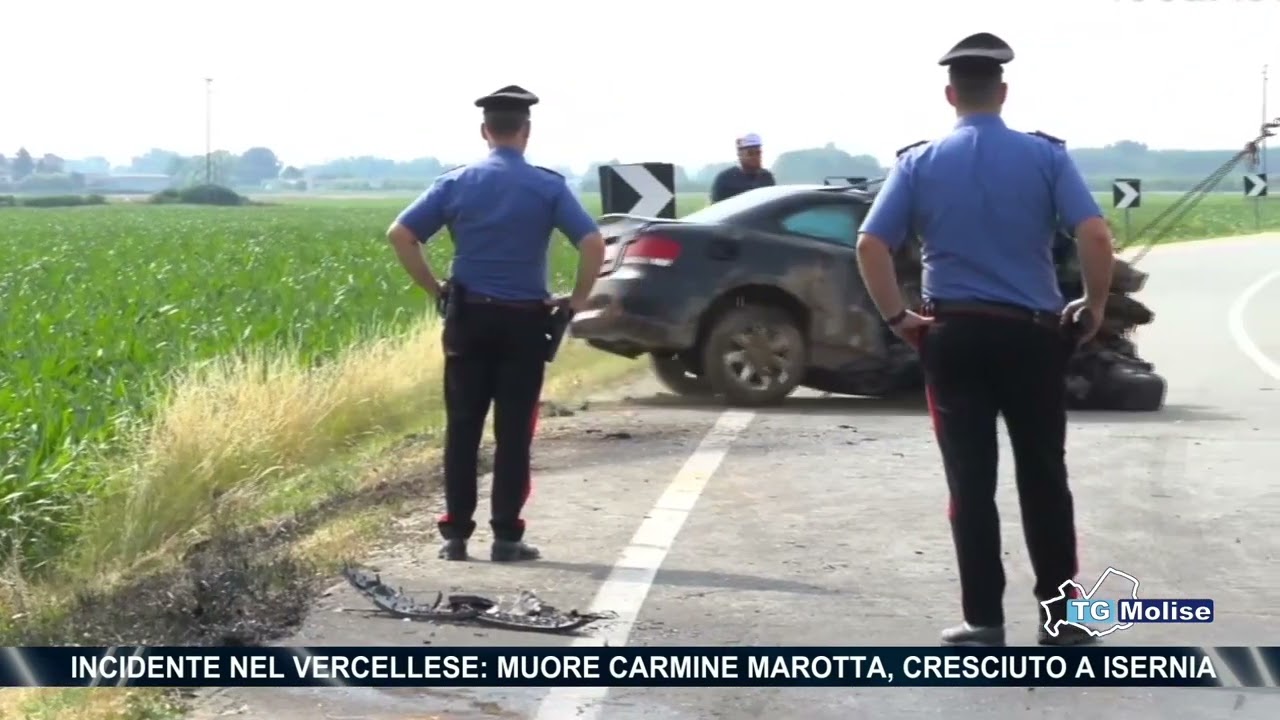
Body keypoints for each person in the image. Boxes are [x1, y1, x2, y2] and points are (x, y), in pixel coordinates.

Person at [854, 33, 1115, 647]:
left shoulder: (918, 163)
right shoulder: (1046, 157)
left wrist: (897, 318)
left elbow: (870, 244)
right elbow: (1095, 235)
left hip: (955, 336)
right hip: (1032, 338)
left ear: (951, 95)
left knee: (970, 483)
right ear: (1003, 93)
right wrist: (1095, 303)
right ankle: (1061, 619)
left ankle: (983, 620)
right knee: (1044, 476)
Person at [385, 85, 606, 563]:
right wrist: (576, 301)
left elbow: (400, 234)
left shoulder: (455, 183)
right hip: (524, 323)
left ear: (484, 131)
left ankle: (456, 536)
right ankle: (506, 536)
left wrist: (435, 288)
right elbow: (592, 243)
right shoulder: (548, 186)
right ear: (526, 131)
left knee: (463, 427)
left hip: (468, 319)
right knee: (514, 432)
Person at [709, 133, 776, 202]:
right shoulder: (725, 179)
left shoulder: (767, 177)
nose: (755, 157)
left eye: (758, 153)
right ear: (740, 155)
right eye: (750, 153)